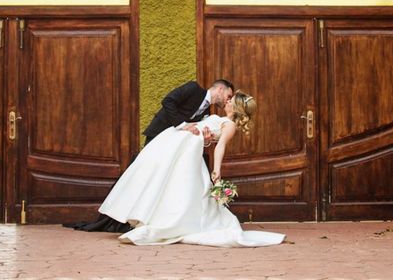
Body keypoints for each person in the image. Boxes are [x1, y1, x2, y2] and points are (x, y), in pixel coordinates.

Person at [98, 91, 285, 247]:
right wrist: (205, 139)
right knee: (160, 178)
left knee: (181, 186)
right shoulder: (220, 119)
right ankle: (150, 215)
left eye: (230, 100)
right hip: (179, 142)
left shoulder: (230, 125)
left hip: (185, 148)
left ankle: (167, 221)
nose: (226, 101)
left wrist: (216, 170)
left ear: (236, 107)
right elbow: (209, 141)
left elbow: (220, 147)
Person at [65, 79, 234, 233]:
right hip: (158, 137)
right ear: (219, 89)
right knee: (141, 175)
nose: (228, 99)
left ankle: (144, 217)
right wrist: (183, 125)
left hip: (172, 148)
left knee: (158, 180)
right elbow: (168, 101)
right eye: (228, 95)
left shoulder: (207, 111)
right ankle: (115, 218)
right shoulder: (193, 88)